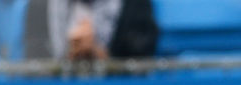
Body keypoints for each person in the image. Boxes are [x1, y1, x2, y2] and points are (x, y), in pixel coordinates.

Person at [22, 0, 157, 60]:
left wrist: (99, 54)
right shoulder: (40, 5)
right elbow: (33, 59)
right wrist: (68, 56)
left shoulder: (135, 4)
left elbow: (142, 57)